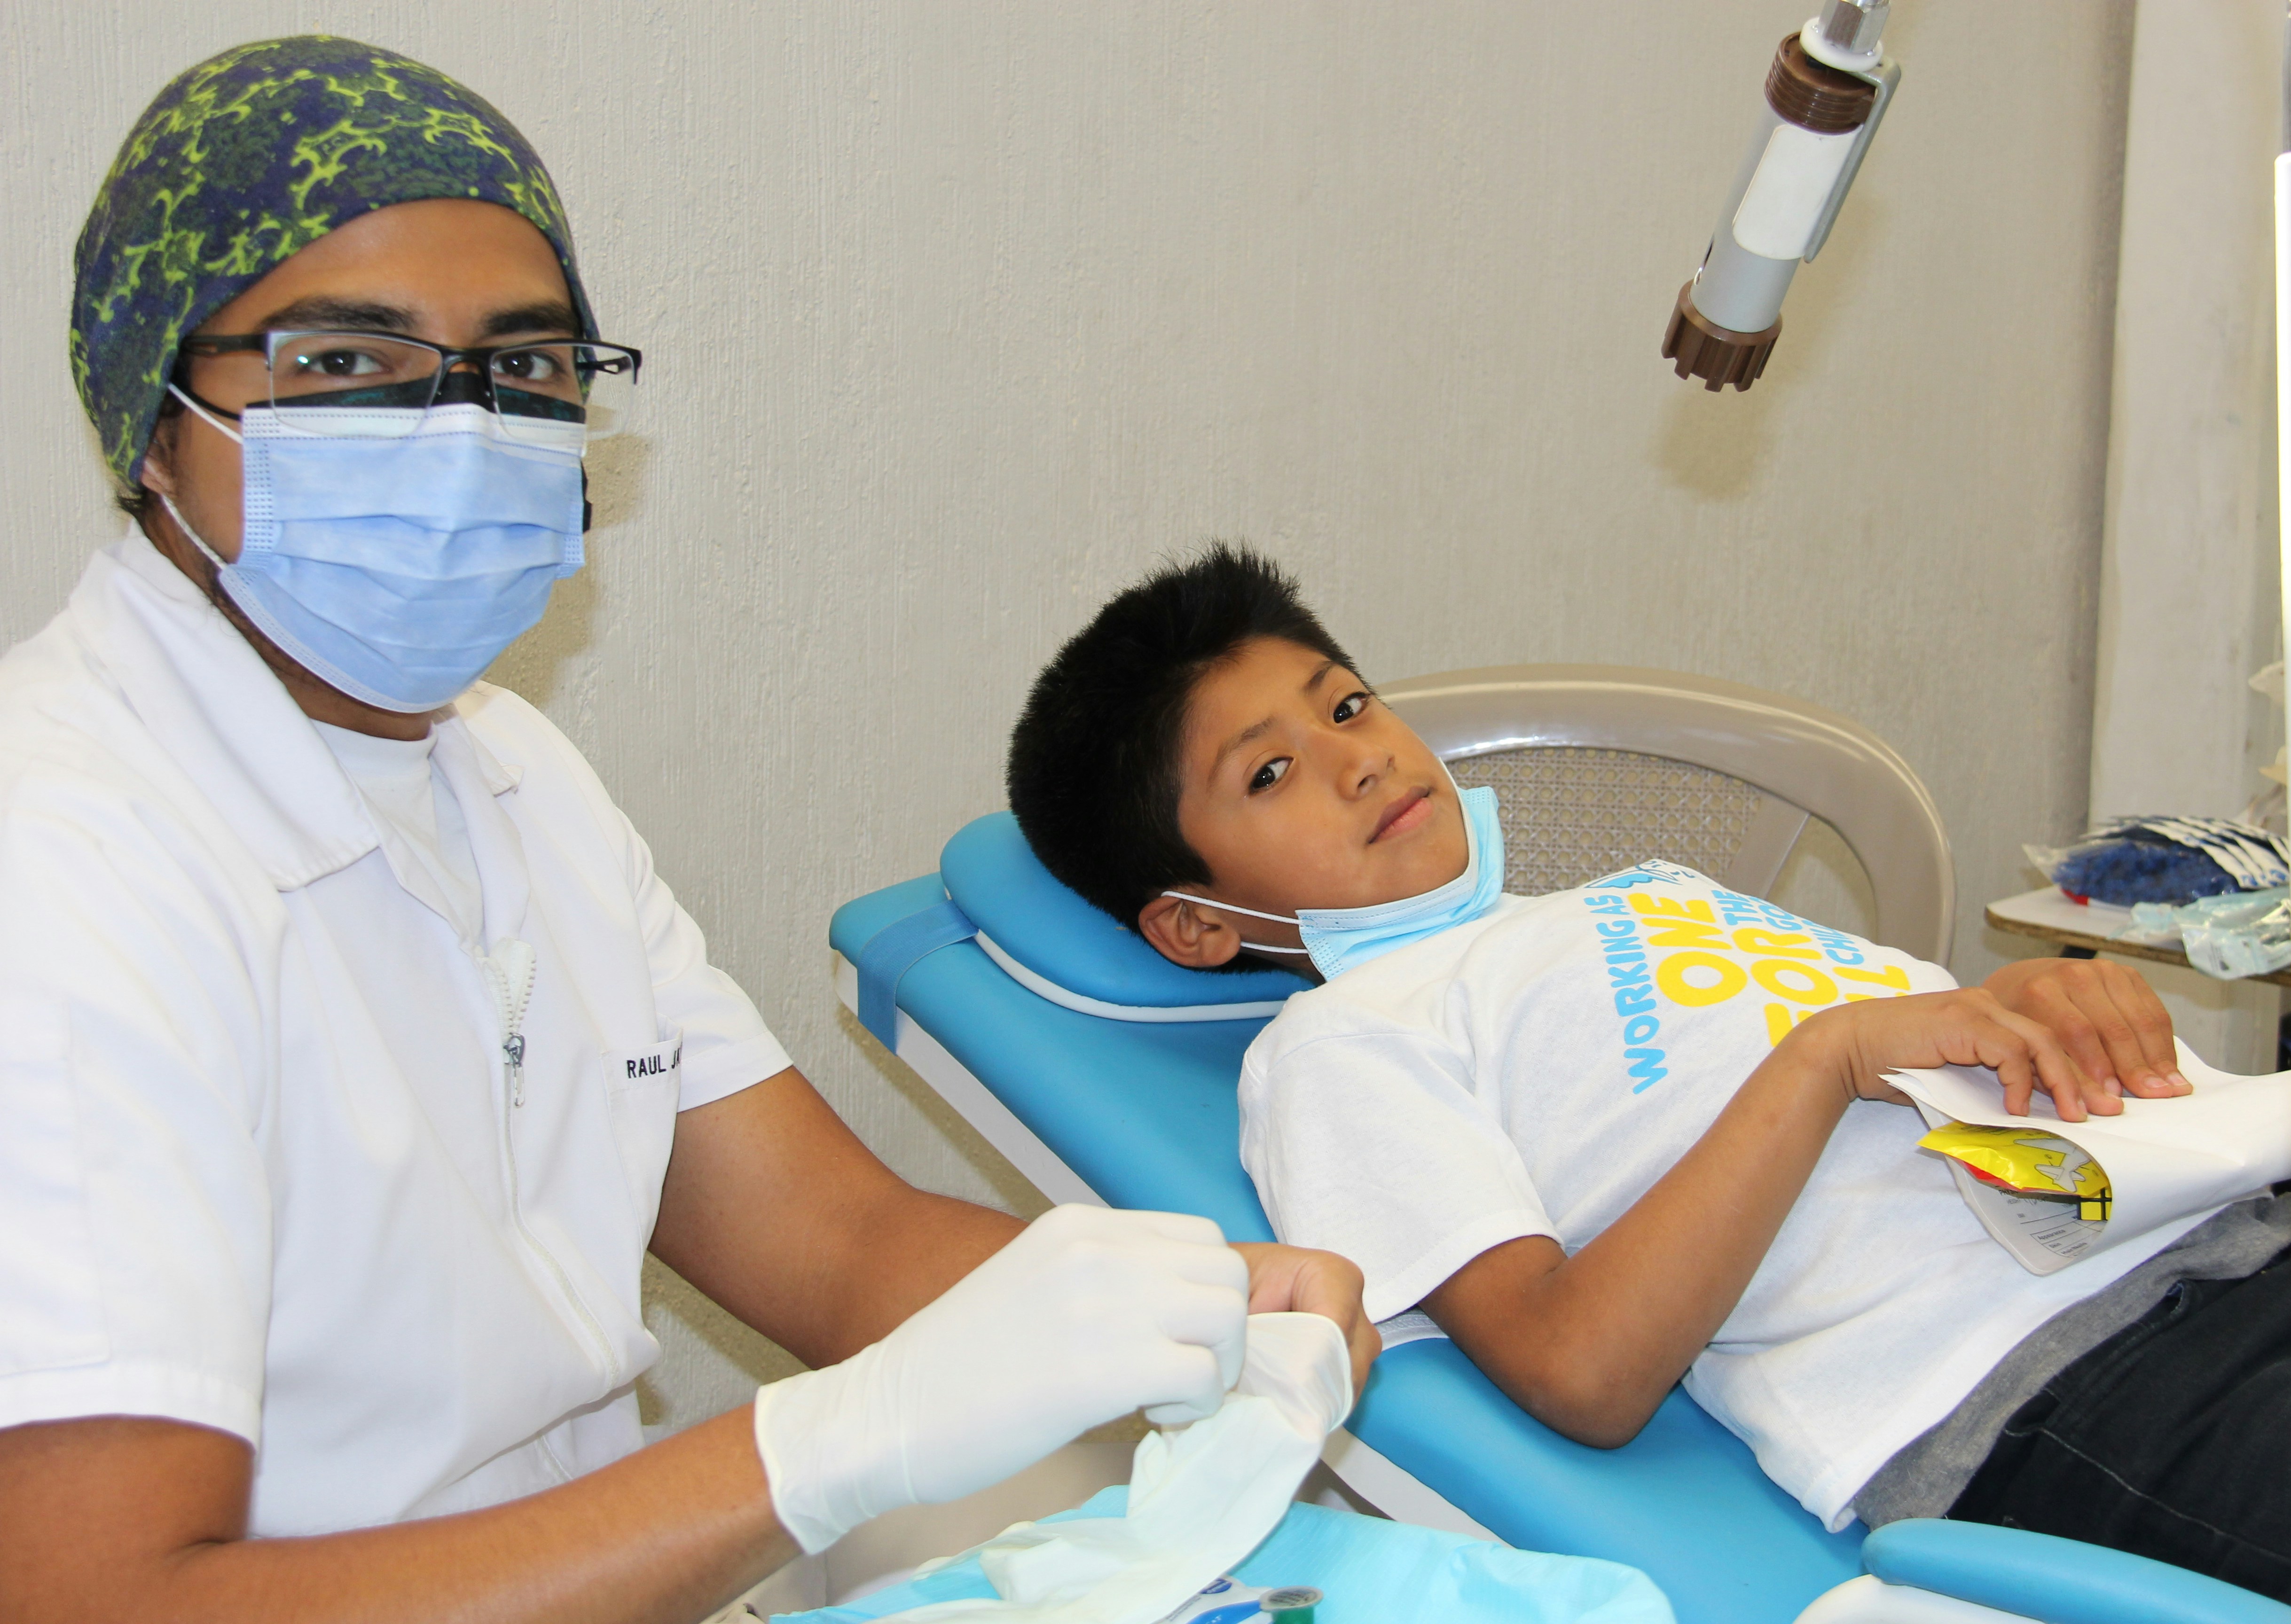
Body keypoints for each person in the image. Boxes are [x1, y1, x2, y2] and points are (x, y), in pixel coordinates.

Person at [0, 42, 1375, 1624]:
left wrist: (1196, 1293)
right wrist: (824, 1451)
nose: (459, 436)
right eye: (343, 366)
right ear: (155, 419)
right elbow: (101, 1598)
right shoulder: (67, 871)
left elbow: (841, 1243)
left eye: (526, 369)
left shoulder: (507, 773)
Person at [1004, 544, 2291, 1617]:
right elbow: (1579, 1370)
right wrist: (1824, 1061)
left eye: (1350, 705)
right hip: (2044, 1390)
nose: (1360, 760)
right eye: (1269, 775)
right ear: (1196, 925)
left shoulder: (1638, 895)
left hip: (2250, 1251)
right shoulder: (1343, 1048)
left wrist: (2032, 1009)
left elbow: (1920, 1063)